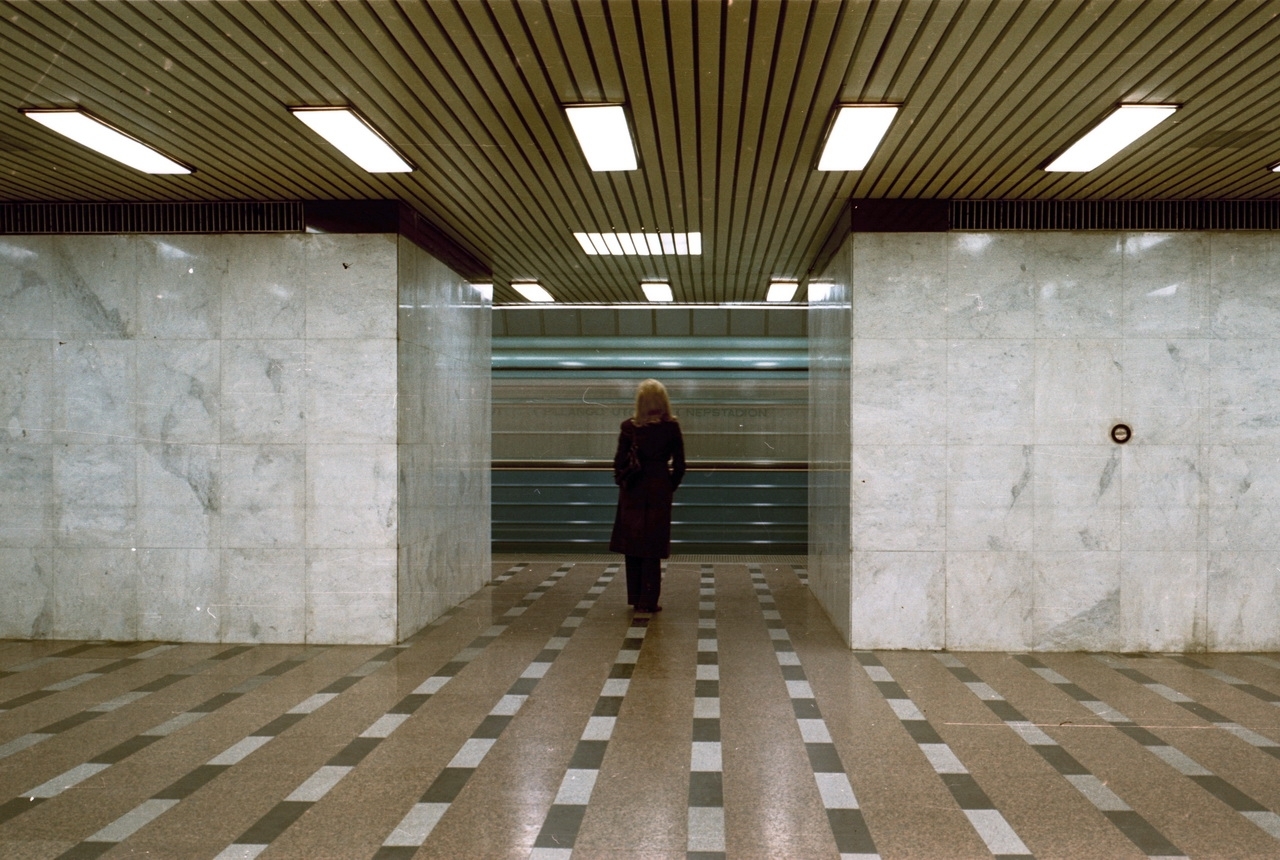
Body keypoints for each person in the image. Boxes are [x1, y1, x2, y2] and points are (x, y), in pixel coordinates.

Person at [609, 378, 686, 613]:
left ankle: (634, 597)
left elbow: (618, 462)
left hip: (633, 489)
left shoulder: (629, 427)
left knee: (633, 545)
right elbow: (681, 465)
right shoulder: (671, 427)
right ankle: (648, 601)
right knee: (652, 546)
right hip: (659, 488)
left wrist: (626, 483)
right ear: (663, 401)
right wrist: (667, 486)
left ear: (640, 401)